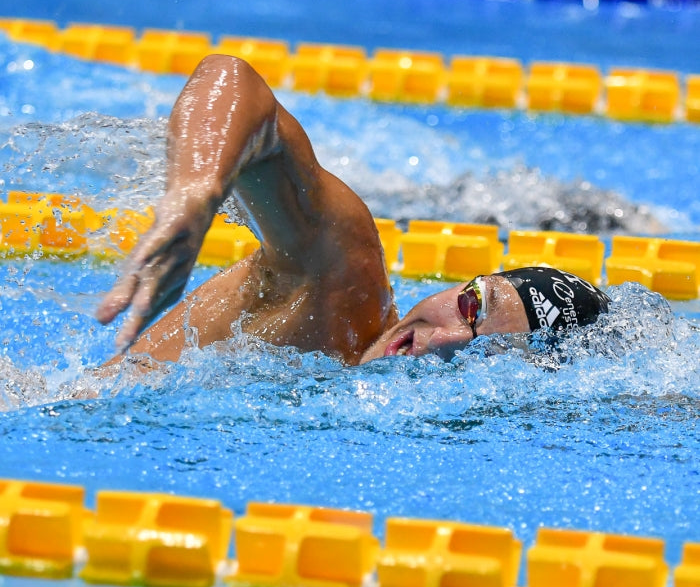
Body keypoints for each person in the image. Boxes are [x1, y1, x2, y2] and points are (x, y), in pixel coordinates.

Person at [97, 54, 610, 367]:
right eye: (472, 306)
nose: (443, 342)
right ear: (463, 285)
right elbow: (233, 81)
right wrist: (198, 188)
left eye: (488, 356)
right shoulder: (343, 290)